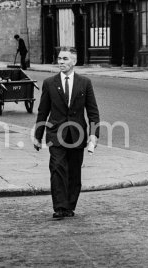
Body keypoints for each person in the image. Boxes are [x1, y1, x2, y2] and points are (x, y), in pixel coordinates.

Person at [34, 47, 100, 219]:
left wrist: (94, 134)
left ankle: (70, 206)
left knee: (74, 172)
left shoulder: (84, 83)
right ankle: (60, 207)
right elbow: (43, 111)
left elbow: (92, 111)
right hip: (56, 134)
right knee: (57, 169)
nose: (61, 62)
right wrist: (37, 135)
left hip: (77, 134)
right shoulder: (49, 83)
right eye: (59, 59)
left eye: (64, 59)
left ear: (74, 62)